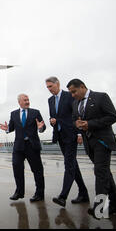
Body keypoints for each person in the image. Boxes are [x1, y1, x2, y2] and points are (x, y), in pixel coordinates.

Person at [66, 79, 116, 217]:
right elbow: (74, 120)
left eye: (74, 91)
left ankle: (100, 207)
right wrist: (77, 124)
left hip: (102, 141)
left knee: (100, 172)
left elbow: (113, 116)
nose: (72, 95)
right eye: (70, 93)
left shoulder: (101, 97)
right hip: (88, 143)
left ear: (82, 87)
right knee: (105, 174)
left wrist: (90, 124)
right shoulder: (75, 103)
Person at [45, 76, 89, 207]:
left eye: (50, 86)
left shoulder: (69, 96)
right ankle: (83, 193)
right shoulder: (50, 100)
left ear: (57, 84)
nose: (49, 89)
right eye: (47, 87)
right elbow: (54, 116)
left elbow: (76, 115)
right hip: (60, 136)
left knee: (69, 164)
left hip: (71, 134)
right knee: (72, 165)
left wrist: (79, 133)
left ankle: (63, 196)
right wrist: (52, 121)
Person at [0, 94, 46, 202]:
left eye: (28, 99)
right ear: (19, 102)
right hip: (19, 146)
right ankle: (19, 192)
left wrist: (41, 128)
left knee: (37, 170)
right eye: (25, 100)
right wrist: (7, 129)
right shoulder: (14, 114)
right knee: (17, 167)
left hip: (32, 145)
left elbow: (42, 126)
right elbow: (11, 127)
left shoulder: (35, 112)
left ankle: (39, 194)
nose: (27, 101)